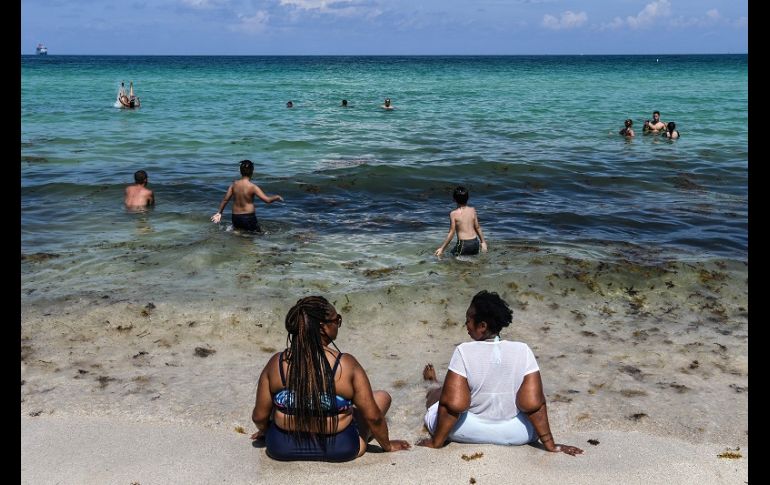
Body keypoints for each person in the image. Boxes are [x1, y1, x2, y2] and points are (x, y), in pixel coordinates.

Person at [416, 290, 583, 456]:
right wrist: (551, 445)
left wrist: (436, 442)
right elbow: (534, 404)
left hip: (467, 431)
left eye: (468, 320)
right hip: (517, 433)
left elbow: (452, 404)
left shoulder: (463, 351)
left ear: (482, 326)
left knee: (438, 397)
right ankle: (435, 385)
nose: (465, 325)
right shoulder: (523, 350)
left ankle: (432, 384)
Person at [251, 296, 411, 461]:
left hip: (281, 447)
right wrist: (388, 446)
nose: (338, 324)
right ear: (323, 327)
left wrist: (265, 431)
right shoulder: (346, 364)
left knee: (278, 403)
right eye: (337, 320)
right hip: (339, 448)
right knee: (382, 397)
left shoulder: (277, 362)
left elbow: (259, 417)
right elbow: (374, 417)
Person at [211, 159, 283, 232]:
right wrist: (276, 197)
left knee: (239, 233)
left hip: (235, 217)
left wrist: (219, 213)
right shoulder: (253, 187)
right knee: (256, 235)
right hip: (248, 217)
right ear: (252, 171)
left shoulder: (234, 185)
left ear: (240, 171)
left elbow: (225, 200)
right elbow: (267, 200)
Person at [435, 186, 488, 257]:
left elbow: (451, 233)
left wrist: (442, 248)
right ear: (468, 198)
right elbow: (477, 227)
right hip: (475, 243)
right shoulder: (473, 210)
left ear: (454, 199)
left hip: (463, 244)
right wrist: (483, 242)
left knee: (452, 257)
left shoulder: (453, 214)